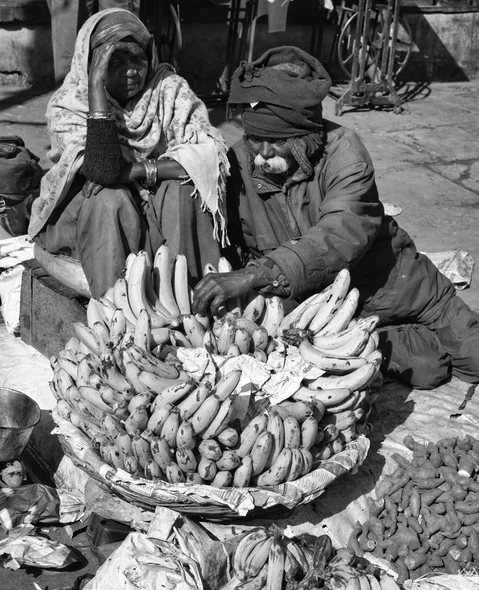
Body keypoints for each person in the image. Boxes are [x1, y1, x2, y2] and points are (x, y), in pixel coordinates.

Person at [192, 45, 479, 390]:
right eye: (254, 140)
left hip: (397, 289)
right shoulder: (239, 161)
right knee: (428, 371)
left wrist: (257, 273)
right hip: (332, 315)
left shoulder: (345, 153)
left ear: (304, 136)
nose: (261, 155)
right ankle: (384, 341)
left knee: (474, 356)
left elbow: (338, 236)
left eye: (274, 142)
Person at [29, 8, 229, 299]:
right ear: (90, 63)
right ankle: (118, 310)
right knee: (111, 197)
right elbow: (103, 172)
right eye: (115, 60)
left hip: (152, 211)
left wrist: (137, 170)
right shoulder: (70, 104)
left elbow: (209, 156)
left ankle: (193, 297)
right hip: (90, 221)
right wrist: (97, 88)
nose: (132, 70)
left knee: (182, 193)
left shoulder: (168, 90)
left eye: (138, 57)